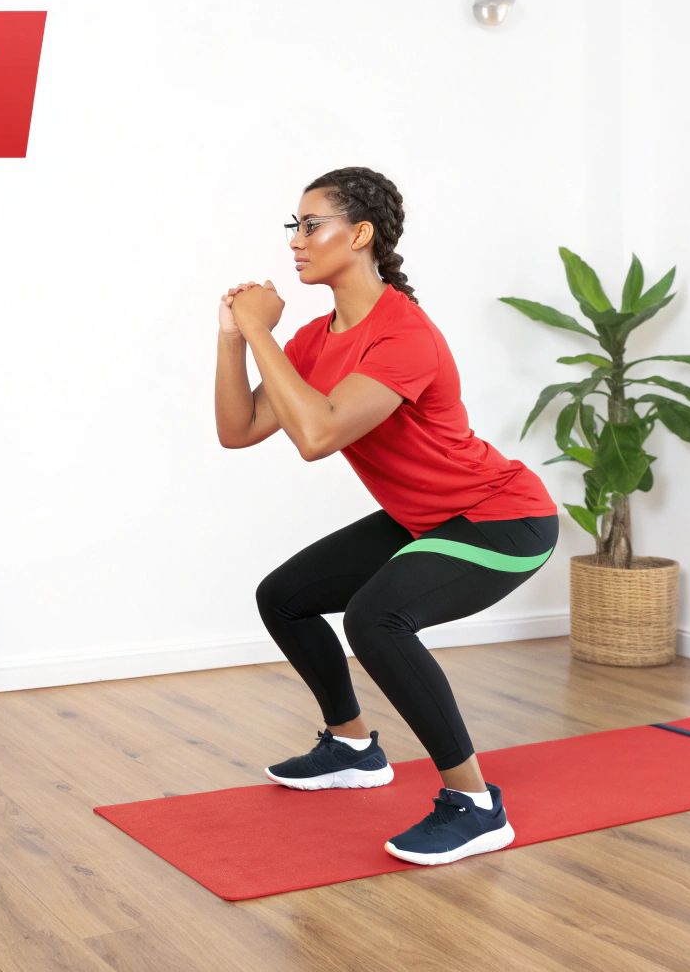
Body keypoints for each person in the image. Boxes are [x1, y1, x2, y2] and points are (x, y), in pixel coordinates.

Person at [213, 165, 560, 867]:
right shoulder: (315, 340)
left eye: (312, 225)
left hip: (500, 519)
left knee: (377, 619)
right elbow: (239, 429)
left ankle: (475, 803)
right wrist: (234, 335)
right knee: (285, 597)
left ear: (360, 234)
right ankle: (351, 747)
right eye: (295, 226)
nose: (297, 241)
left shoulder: (404, 334)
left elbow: (317, 437)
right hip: (421, 517)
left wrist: (262, 333)